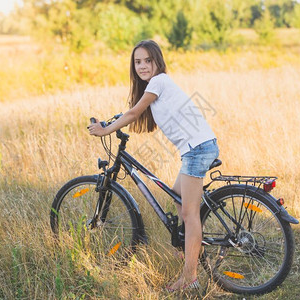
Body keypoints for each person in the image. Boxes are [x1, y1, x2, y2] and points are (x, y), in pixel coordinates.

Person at [88, 40, 219, 292]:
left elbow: (134, 114)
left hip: (197, 149)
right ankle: (190, 250)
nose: (143, 66)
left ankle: (189, 278)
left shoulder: (159, 81)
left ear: (157, 61)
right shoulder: (155, 87)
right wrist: (114, 120)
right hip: (198, 147)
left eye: (148, 60)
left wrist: (105, 130)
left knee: (190, 215)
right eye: (138, 62)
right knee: (178, 198)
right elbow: (133, 112)